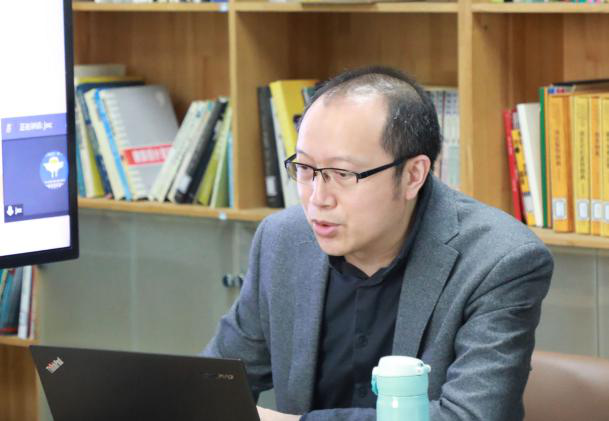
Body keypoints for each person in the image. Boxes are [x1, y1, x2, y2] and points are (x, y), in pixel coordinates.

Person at [203, 66, 553, 421]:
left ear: (413, 175)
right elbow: (213, 385)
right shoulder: (282, 240)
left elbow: (470, 416)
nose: (318, 199)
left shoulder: (499, 260)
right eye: (305, 169)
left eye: (343, 174)